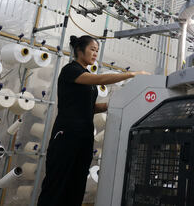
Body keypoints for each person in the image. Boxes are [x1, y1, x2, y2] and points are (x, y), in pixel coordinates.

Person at [37, 35, 150, 206]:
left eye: (97, 51)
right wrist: (132, 74)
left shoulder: (87, 76)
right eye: (92, 49)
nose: (95, 54)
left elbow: (89, 107)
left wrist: (112, 105)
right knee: (57, 182)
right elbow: (99, 79)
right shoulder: (71, 70)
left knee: (77, 183)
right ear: (79, 50)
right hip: (67, 134)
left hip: (84, 135)